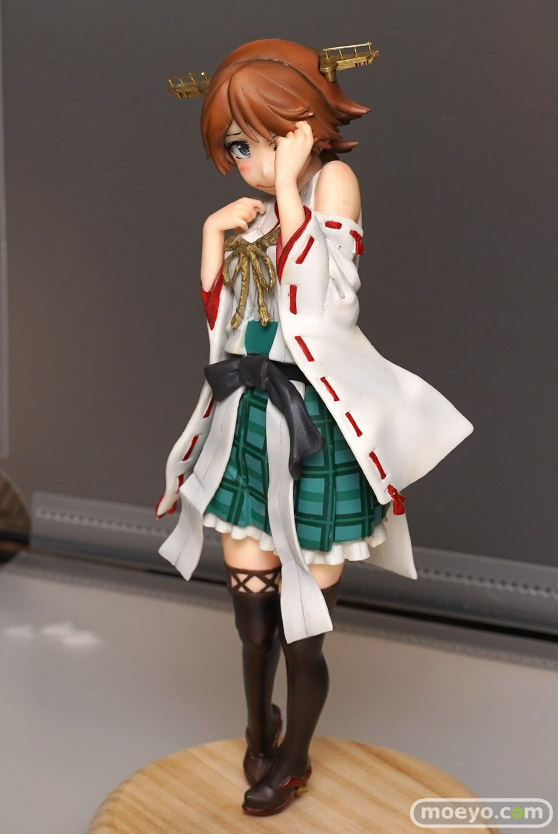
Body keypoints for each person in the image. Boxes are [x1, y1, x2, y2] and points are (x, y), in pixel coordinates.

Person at [156, 39, 473, 816]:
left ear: (303, 124)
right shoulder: (264, 210)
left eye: (265, 139)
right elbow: (230, 323)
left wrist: (290, 187)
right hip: (248, 420)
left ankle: (293, 760)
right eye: (239, 147)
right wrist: (213, 236)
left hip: (311, 432)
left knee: (304, 624)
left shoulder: (330, 183)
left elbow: (322, 305)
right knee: (252, 618)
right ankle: (258, 730)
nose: (251, 161)